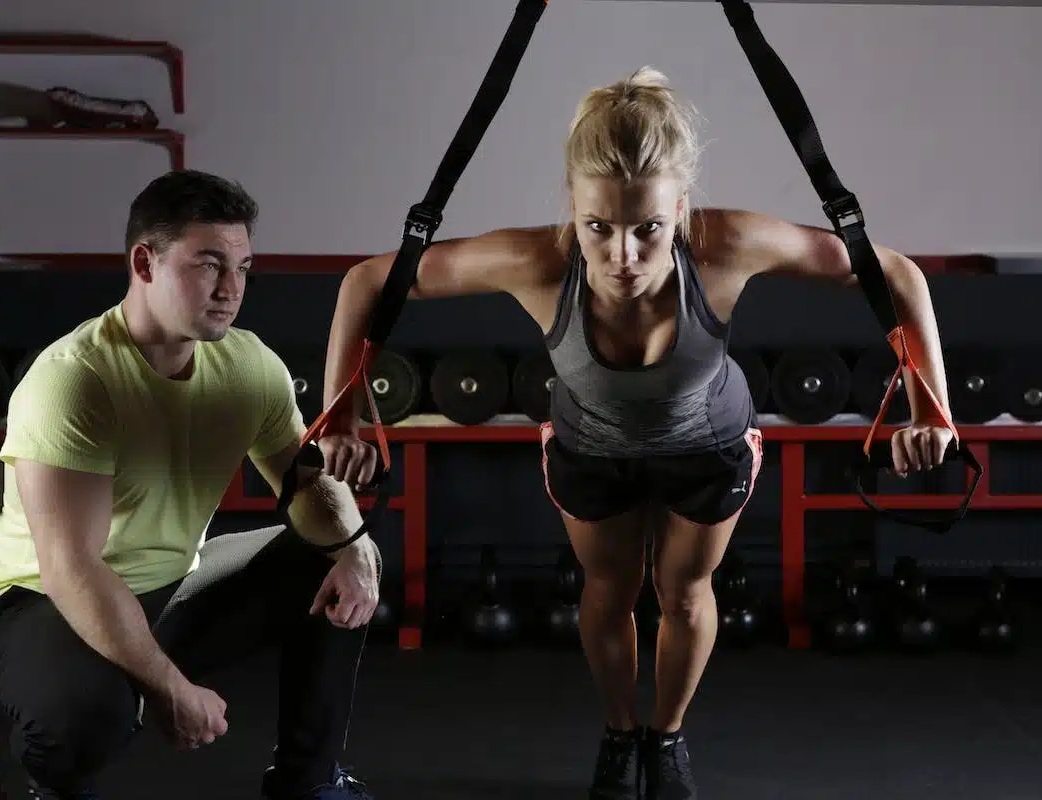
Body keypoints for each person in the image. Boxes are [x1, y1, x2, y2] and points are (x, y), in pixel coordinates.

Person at [319, 67, 955, 800]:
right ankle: (622, 736)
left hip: (709, 445)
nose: (623, 255)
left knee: (684, 594)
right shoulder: (537, 260)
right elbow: (368, 280)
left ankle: (669, 735)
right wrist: (341, 412)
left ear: (681, 209)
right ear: (574, 210)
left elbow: (896, 274)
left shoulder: (727, 244)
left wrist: (929, 407)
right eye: (600, 227)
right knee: (608, 590)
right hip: (593, 447)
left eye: (649, 228)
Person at [0, 170, 385, 800]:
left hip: (172, 585)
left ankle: (310, 781)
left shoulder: (249, 365)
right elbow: (70, 569)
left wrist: (353, 549)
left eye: (244, 268)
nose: (231, 289)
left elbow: (306, 487)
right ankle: (52, 786)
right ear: (144, 262)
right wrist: (170, 687)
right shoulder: (75, 379)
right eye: (209, 265)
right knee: (87, 720)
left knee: (340, 549)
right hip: (41, 599)